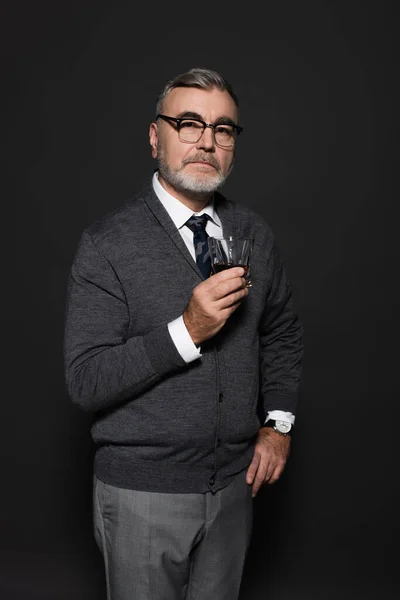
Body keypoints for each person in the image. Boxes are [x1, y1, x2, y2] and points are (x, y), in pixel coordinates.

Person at [63, 67, 304, 600]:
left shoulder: (254, 235)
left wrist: (278, 425)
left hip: (235, 492)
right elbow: (85, 380)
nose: (206, 141)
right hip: (142, 496)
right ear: (156, 137)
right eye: (188, 123)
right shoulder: (107, 244)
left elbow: (282, 330)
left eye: (223, 129)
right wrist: (187, 331)